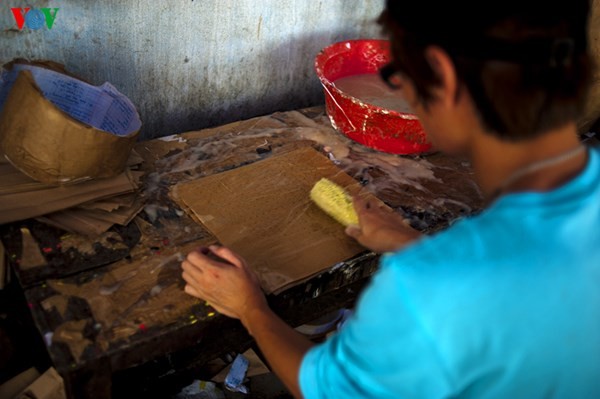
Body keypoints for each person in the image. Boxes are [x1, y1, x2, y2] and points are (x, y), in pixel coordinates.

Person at [181, 0, 600, 397]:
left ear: (445, 80)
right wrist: (412, 244)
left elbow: (325, 389)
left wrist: (252, 308)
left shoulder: (425, 288)